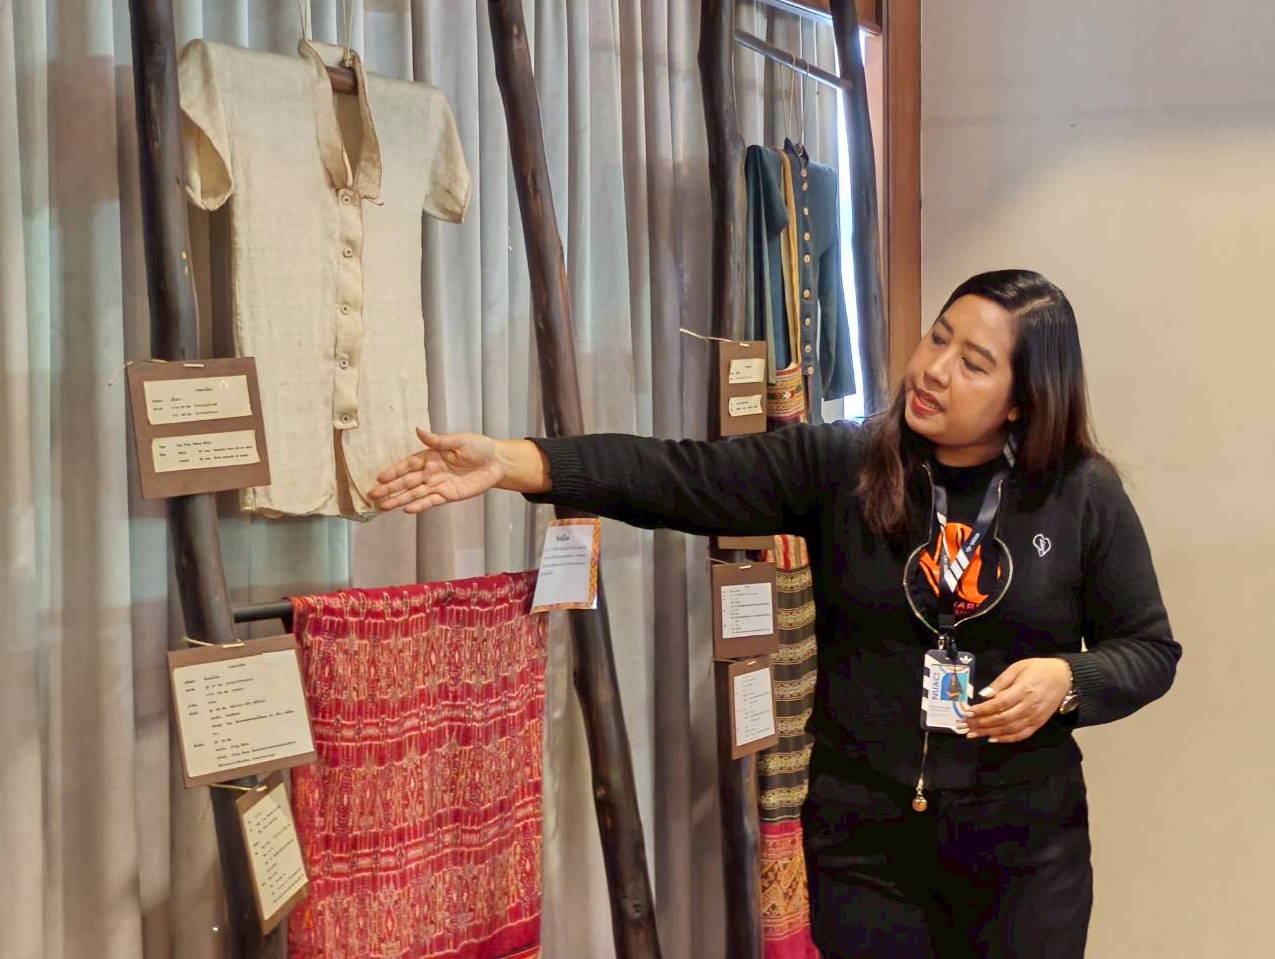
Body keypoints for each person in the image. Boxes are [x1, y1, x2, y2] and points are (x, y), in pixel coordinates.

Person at [369, 270, 1180, 958]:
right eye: (937, 339)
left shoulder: (1082, 494)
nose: (934, 370)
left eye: (973, 364)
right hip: (864, 845)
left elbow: (1148, 650)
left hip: (1025, 852)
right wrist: (518, 462)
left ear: (1021, 401)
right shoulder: (848, 464)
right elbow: (682, 477)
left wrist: (1068, 679)